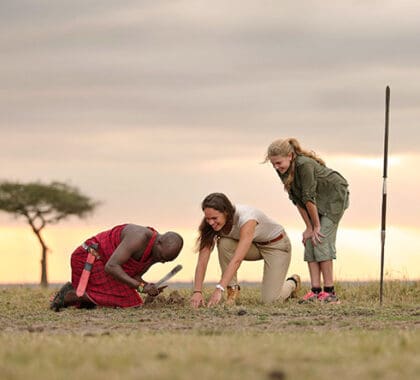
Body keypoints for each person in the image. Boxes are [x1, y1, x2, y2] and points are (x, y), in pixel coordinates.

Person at [265, 138, 349, 303]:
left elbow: (308, 197)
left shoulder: (305, 165)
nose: (276, 167)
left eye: (279, 163)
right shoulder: (282, 169)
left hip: (334, 197)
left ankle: (330, 293)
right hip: (315, 201)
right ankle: (316, 291)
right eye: (273, 164)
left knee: (321, 238)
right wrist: (309, 227)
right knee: (310, 240)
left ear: (290, 156)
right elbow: (297, 199)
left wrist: (316, 226)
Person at [190, 192, 300, 308]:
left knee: (270, 301)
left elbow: (237, 259)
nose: (211, 222)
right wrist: (197, 291)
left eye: (214, 218)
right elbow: (202, 260)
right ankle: (232, 289)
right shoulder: (210, 225)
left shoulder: (247, 219)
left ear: (226, 212)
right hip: (255, 245)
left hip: (277, 246)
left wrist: (219, 288)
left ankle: (293, 282)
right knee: (224, 243)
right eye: (207, 218)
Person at [50, 223, 183, 311]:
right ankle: (69, 295)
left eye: (165, 261)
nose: (161, 261)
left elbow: (133, 276)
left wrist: (148, 286)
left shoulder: (155, 251)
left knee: (133, 301)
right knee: (129, 301)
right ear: (159, 242)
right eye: (162, 257)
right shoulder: (138, 237)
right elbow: (111, 266)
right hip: (89, 259)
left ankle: (88, 299)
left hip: (106, 266)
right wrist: (141, 287)